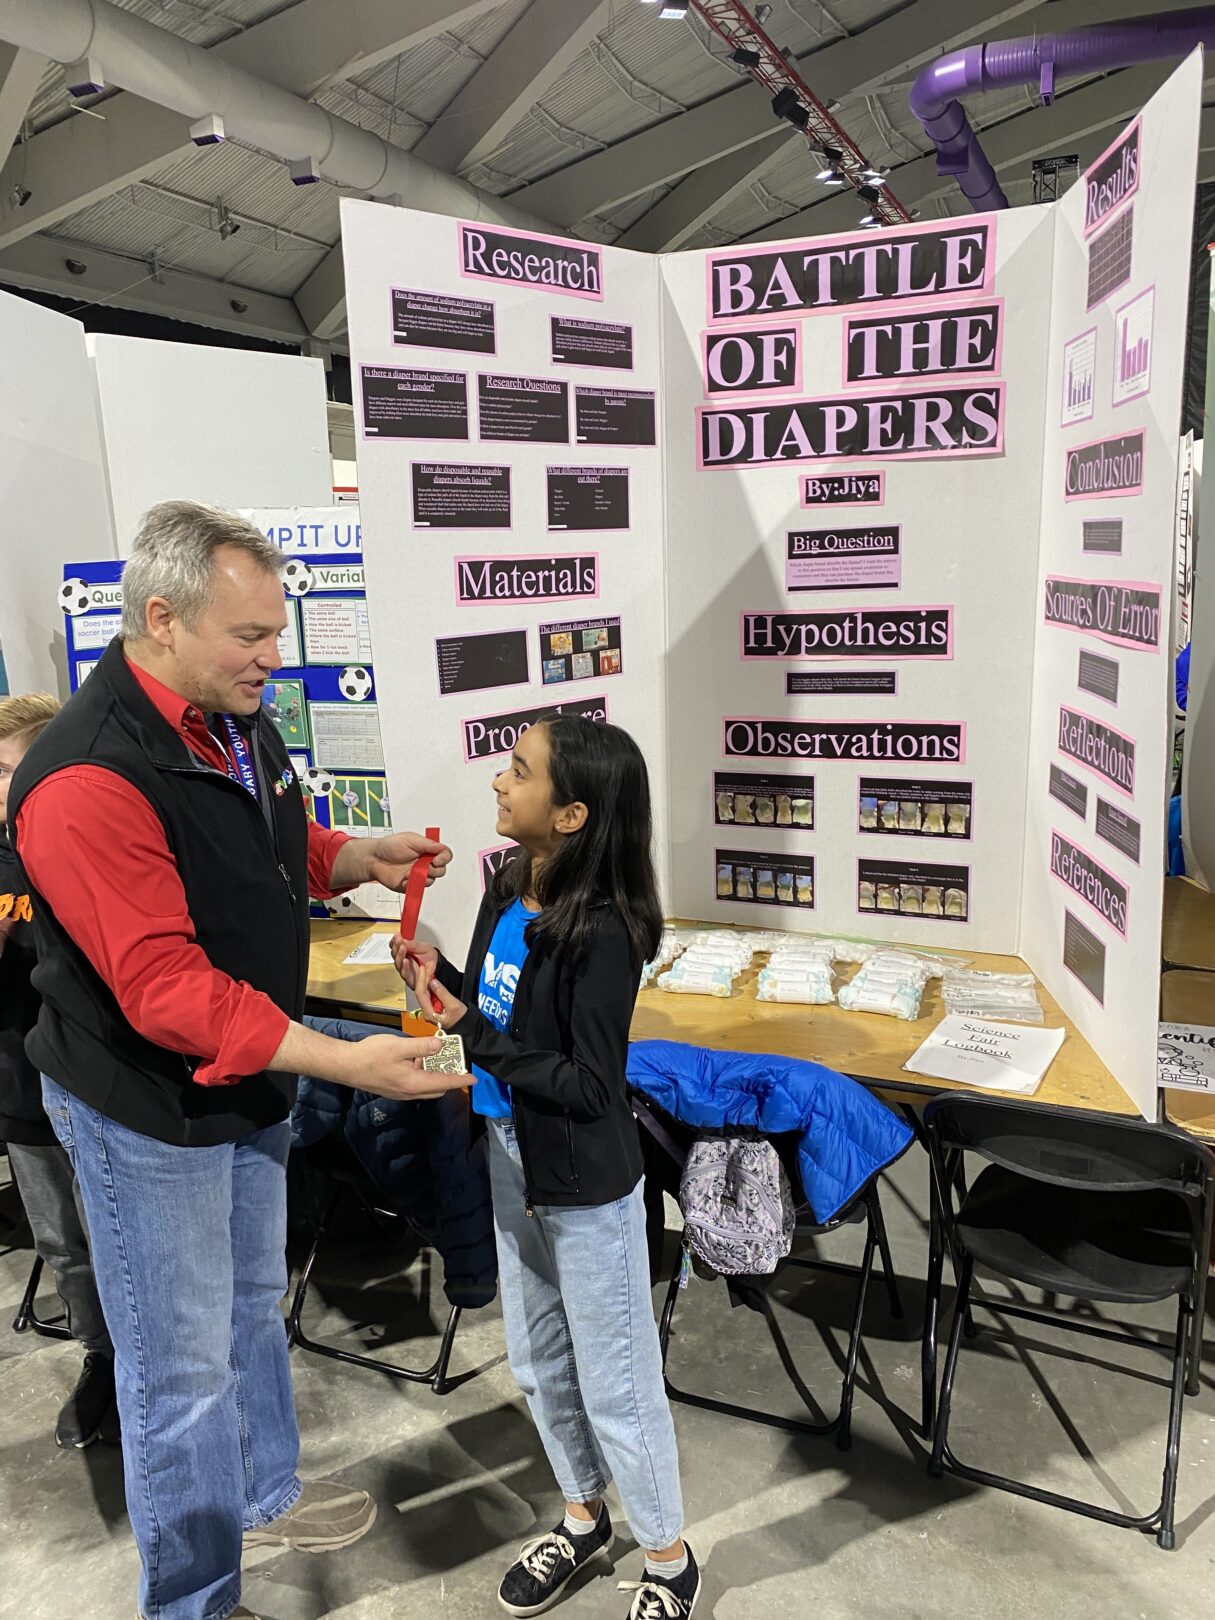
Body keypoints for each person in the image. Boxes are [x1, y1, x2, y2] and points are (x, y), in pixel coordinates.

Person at [9, 502, 465, 1620]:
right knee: (181, 1381)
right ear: (161, 621)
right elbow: (166, 991)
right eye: (251, 637)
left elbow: (269, 839)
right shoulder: (83, 784)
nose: (275, 657)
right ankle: (197, 1602)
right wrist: (352, 1064)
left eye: (279, 631)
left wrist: (352, 855)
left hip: (247, 1079)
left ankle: (262, 1497)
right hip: (144, 1111)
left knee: (253, 1306)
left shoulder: (229, 713)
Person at [392, 716, 701, 1620]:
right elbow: (496, 1010)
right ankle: (581, 1516)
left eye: (518, 771)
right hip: (507, 1154)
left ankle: (670, 1559)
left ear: (570, 813)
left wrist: (469, 1033)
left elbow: (587, 1081)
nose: (498, 780)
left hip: (581, 1181)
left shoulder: (605, 932)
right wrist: (438, 972)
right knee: (535, 1360)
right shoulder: (504, 880)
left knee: (616, 1382)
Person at [0, 692, 117, 1448]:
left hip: (99, 1081)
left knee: (123, 1237)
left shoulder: (78, 836)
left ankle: (154, 1369)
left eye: (10, 769)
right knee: (66, 1244)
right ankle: (101, 1357)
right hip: (20, 1085)